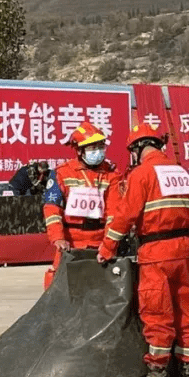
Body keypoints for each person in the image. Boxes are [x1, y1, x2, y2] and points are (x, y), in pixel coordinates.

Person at [98, 121, 189, 377]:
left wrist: (108, 247)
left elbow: (125, 215)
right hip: (186, 250)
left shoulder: (142, 174)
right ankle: (187, 373)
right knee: (186, 312)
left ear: (136, 149)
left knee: (157, 314)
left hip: (157, 251)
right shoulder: (180, 171)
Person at [41, 122, 122, 290]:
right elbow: (52, 209)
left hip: (100, 242)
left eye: (100, 147)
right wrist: (58, 238)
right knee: (58, 286)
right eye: (92, 148)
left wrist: (109, 244)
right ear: (79, 150)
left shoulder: (111, 175)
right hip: (71, 242)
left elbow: (114, 213)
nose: (98, 152)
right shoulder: (62, 173)